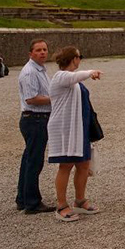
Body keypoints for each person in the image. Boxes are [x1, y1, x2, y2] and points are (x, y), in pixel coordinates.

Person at [47, 46, 103, 221]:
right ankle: (61, 205)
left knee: (84, 164)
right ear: (74, 59)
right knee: (66, 165)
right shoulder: (61, 76)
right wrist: (91, 72)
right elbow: (72, 76)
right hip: (65, 129)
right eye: (79, 56)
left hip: (79, 129)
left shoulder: (73, 80)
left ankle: (80, 200)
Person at [16, 39, 55, 214]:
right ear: (30, 53)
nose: (42, 53)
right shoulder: (30, 72)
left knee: (29, 160)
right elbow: (31, 99)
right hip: (35, 119)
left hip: (37, 119)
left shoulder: (40, 70)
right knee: (34, 161)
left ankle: (23, 198)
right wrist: (56, 98)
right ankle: (32, 202)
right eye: (38, 50)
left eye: (45, 49)